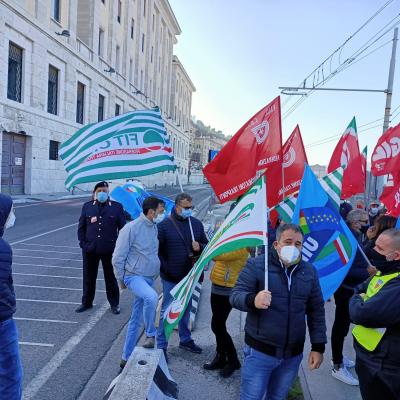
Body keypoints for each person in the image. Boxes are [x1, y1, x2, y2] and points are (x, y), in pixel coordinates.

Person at [230, 224, 326, 400]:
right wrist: (253, 300)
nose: (293, 247)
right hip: (260, 351)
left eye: (298, 244)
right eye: (288, 242)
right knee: (251, 396)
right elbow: (235, 295)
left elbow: (316, 311)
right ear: (276, 244)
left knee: (277, 397)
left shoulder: (309, 271)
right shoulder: (258, 265)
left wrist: (318, 346)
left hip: (292, 355)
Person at [113, 197, 165, 371]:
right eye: (161, 210)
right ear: (151, 212)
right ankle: (150, 334)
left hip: (149, 277)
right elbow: (117, 257)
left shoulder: (154, 227)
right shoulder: (131, 228)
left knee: (135, 320)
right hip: (134, 276)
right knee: (151, 298)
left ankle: (125, 358)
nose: (162, 213)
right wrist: (121, 279)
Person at [349, 229, 400, 400]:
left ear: (396, 255)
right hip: (368, 357)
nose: (373, 250)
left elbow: (363, 314)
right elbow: (359, 289)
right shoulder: (385, 271)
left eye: (380, 249)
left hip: (384, 368)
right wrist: (359, 298)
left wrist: (357, 300)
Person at [157, 193, 208, 359]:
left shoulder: (196, 224)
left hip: (189, 277)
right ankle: (161, 345)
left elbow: (206, 245)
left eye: (191, 208)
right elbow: (157, 252)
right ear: (177, 206)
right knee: (167, 311)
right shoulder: (164, 226)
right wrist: (166, 269)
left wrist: (199, 246)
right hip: (170, 277)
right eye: (186, 208)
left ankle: (185, 339)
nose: (189, 210)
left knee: (186, 310)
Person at [330, 209, 369, 385]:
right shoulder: (348, 240)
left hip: (350, 290)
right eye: (365, 220)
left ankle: (338, 357)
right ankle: (337, 366)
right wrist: (366, 272)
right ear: (355, 222)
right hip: (345, 290)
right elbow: (344, 270)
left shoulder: (355, 236)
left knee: (343, 326)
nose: (368, 223)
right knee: (340, 326)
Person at [76, 181, 126, 314]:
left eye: (105, 191)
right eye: (100, 191)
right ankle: (86, 303)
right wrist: (83, 244)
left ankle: (114, 304)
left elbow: (123, 229)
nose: (102, 193)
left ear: (108, 192)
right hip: (90, 249)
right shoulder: (87, 207)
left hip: (109, 249)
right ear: (95, 193)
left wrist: (119, 247)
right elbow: (81, 228)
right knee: (88, 278)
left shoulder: (116, 207)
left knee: (110, 278)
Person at [203, 248, 249, 378]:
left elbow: (217, 255)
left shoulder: (241, 246)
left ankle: (233, 360)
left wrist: (212, 248)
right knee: (218, 324)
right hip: (218, 286)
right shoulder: (232, 243)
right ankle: (221, 357)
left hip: (227, 289)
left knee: (217, 326)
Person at [0, 194, 22, 399]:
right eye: (10, 212)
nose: (12, 216)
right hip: (2, 321)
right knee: (10, 375)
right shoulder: (3, 248)